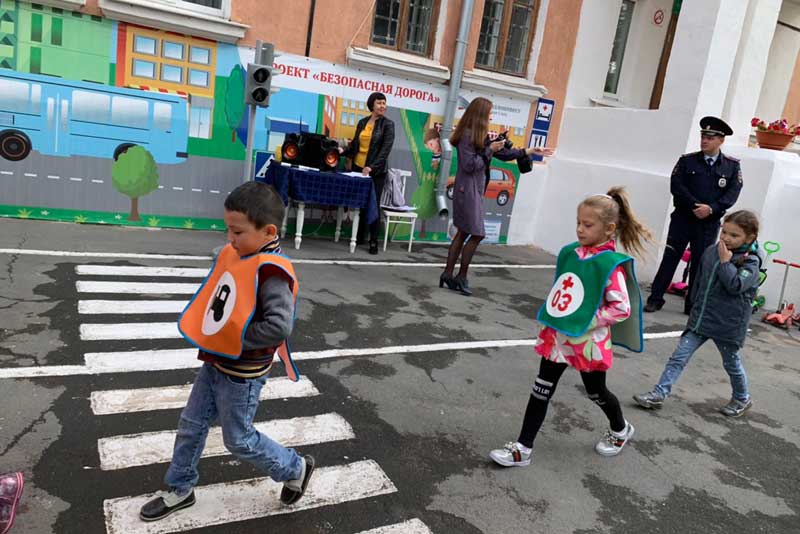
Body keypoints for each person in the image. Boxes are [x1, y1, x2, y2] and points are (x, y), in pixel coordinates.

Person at [139, 182, 314, 522]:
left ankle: (295, 467)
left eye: (237, 231)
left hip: (243, 375)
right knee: (191, 424)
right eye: (228, 229)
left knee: (240, 440)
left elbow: (280, 326)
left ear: (268, 232)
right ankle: (180, 487)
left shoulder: (271, 271)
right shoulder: (240, 254)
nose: (230, 238)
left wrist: (235, 339)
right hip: (216, 363)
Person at [489, 187, 652, 467]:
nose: (580, 229)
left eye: (588, 225)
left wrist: (588, 320)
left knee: (596, 391)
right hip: (559, 337)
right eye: (578, 222)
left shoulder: (609, 264)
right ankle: (522, 448)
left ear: (609, 228)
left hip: (588, 341)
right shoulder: (571, 253)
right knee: (541, 388)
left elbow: (621, 307)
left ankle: (620, 428)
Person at [634, 210, 762, 417]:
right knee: (678, 357)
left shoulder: (751, 262)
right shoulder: (712, 251)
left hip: (728, 326)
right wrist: (693, 308)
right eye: (724, 232)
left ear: (750, 238)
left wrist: (725, 262)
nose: (726, 238)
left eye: (734, 235)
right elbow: (700, 282)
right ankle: (659, 393)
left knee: (731, 363)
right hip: (701, 319)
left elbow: (735, 285)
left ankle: (742, 397)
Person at [440, 97, 553, 295]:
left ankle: (449, 275)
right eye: (490, 113)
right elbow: (470, 165)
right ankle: (460, 277)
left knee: (464, 233)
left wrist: (528, 150)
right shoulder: (467, 135)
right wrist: (489, 150)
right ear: (481, 115)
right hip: (467, 190)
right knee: (477, 233)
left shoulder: (478, 135)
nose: (492, 116)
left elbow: (503, 155)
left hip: (472, 190)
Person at [645, 116, 743, 315]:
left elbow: (733, 192)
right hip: (683, 218)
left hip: (708, 223)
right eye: (703, 136)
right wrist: (695, 206)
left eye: (710, 138)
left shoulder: (731, 166)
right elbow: (676, 186)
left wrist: (712, 209)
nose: (705, 141)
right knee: (670, 258)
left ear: (721, 140)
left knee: (700, 262)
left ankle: (692, 304)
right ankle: (655, 298)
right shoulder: (687, 161)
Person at [339, 91, 395, 254]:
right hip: (358, 168)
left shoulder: (388, 124)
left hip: (375, 172)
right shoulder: (363, 122)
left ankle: (373, 241)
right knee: (360, 203)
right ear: (372, 105)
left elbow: (385, 150)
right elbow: (356, 145)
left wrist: (372, 167)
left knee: (373, 205)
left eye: (384, 103)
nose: (382, 106)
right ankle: (359, 236)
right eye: (379, 103)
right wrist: (342, 151)